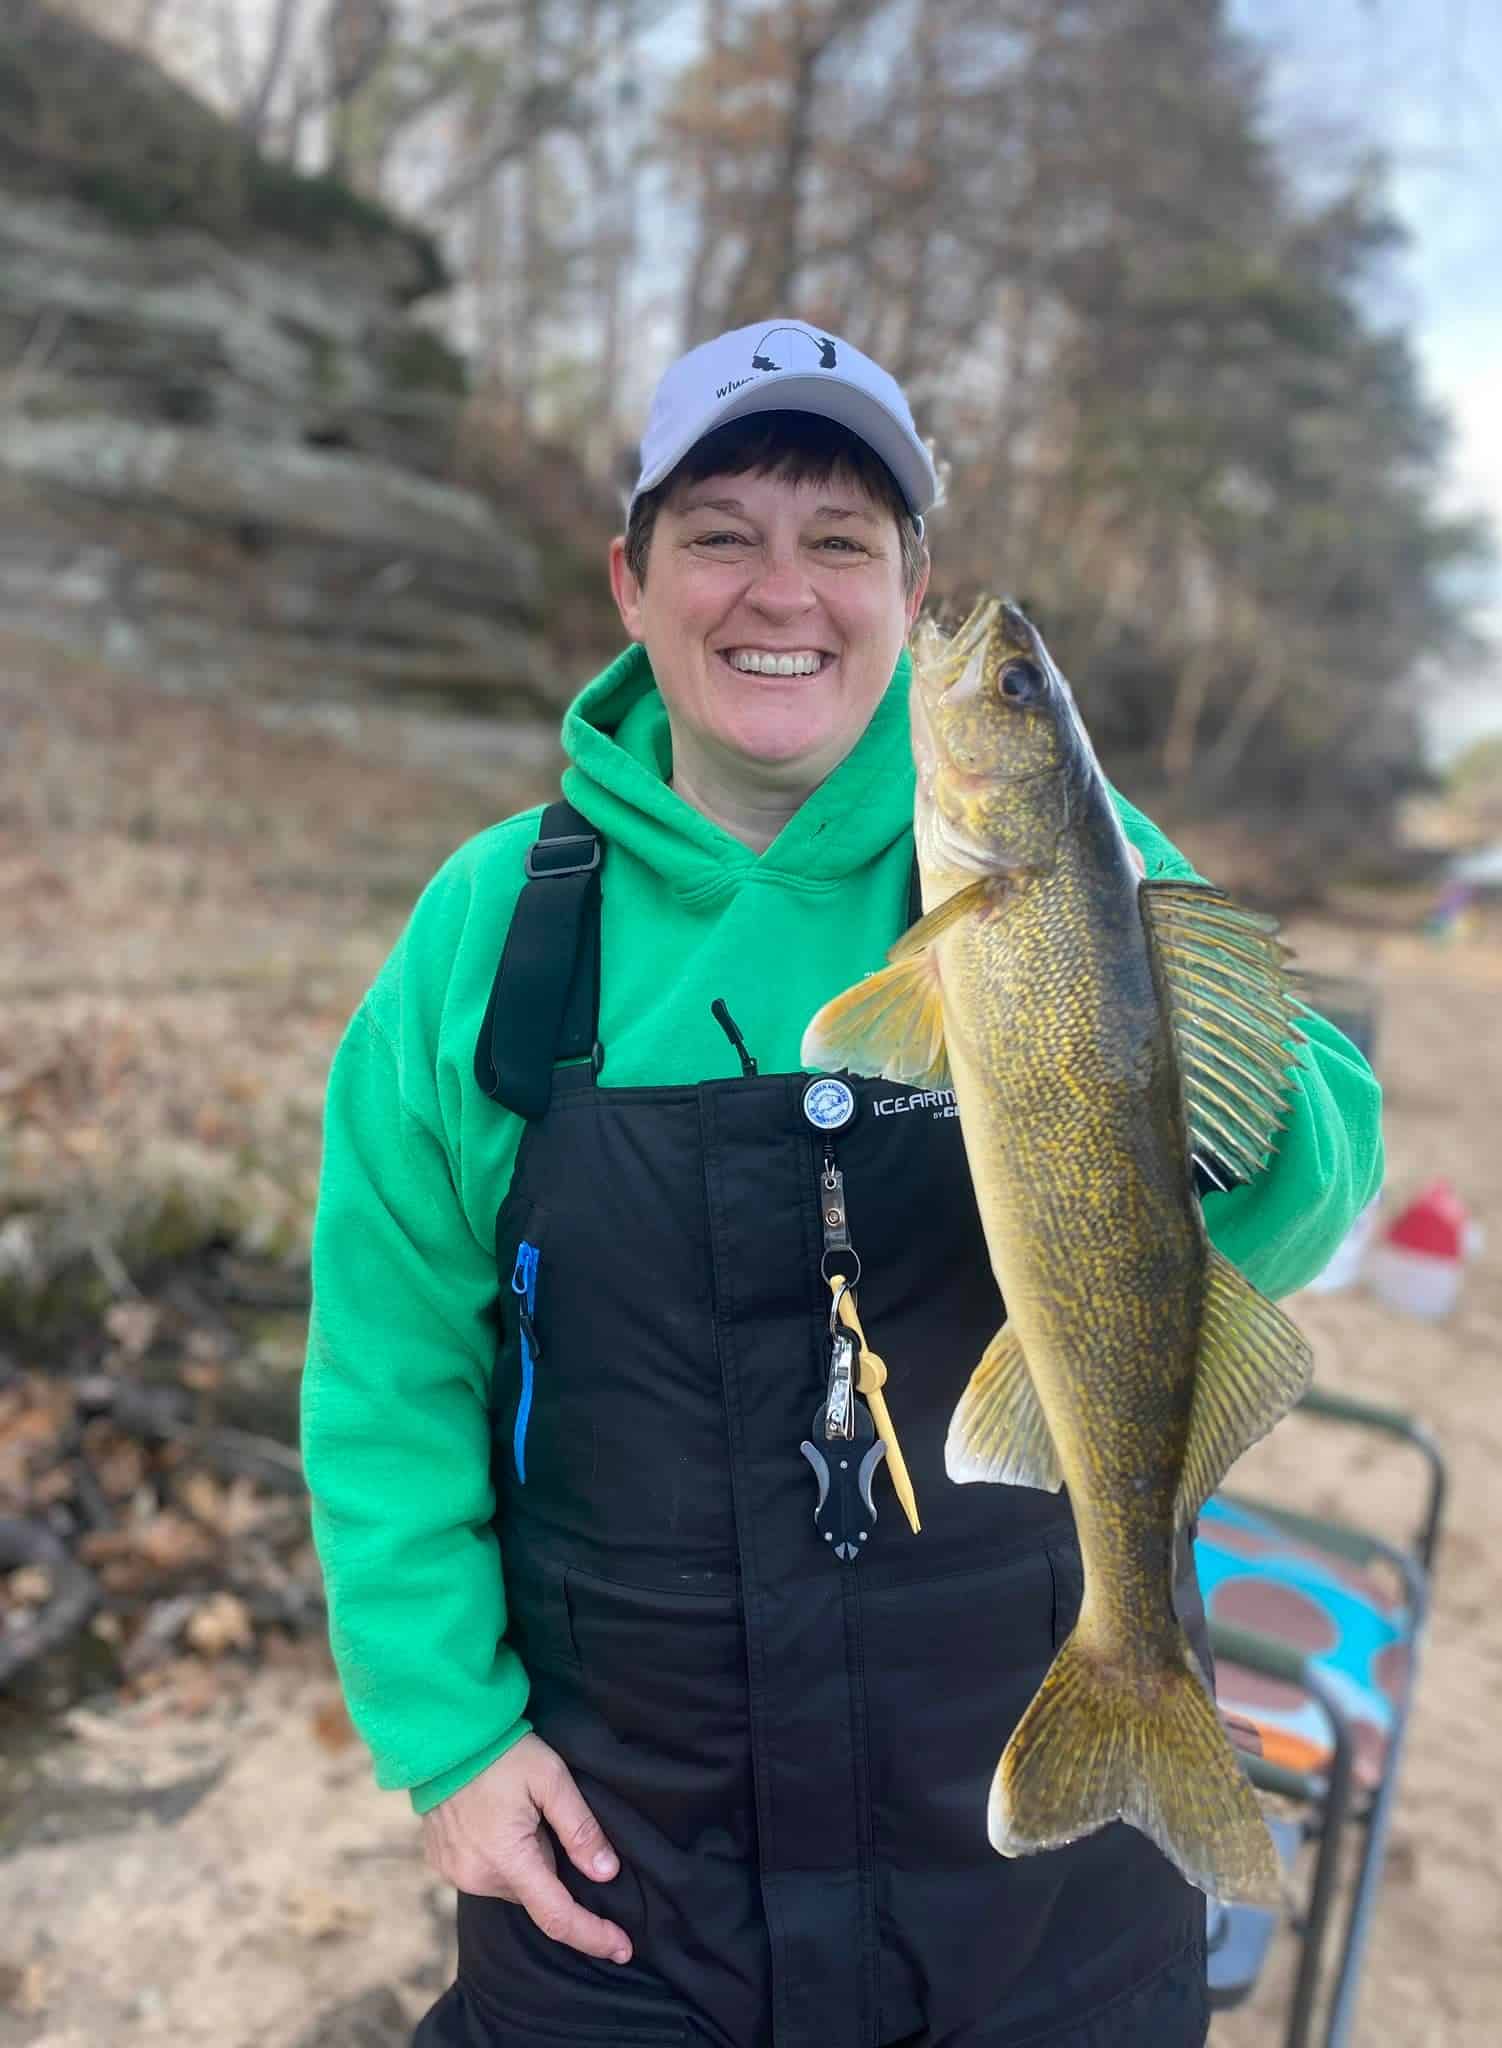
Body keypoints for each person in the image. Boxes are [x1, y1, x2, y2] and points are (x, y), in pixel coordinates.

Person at [301, 320, 1384, 2048]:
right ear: (632, 583)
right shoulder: (488, 930)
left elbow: (1311, 1196)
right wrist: (447, 1735)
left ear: (909, 584)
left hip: (1031, 1874)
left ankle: (1138, 1708)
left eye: (843, 544)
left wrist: (1193, 1089)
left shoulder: (1085, 859)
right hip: (629, 1877)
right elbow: (386, 1368)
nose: (780, 591)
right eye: (721, 533)